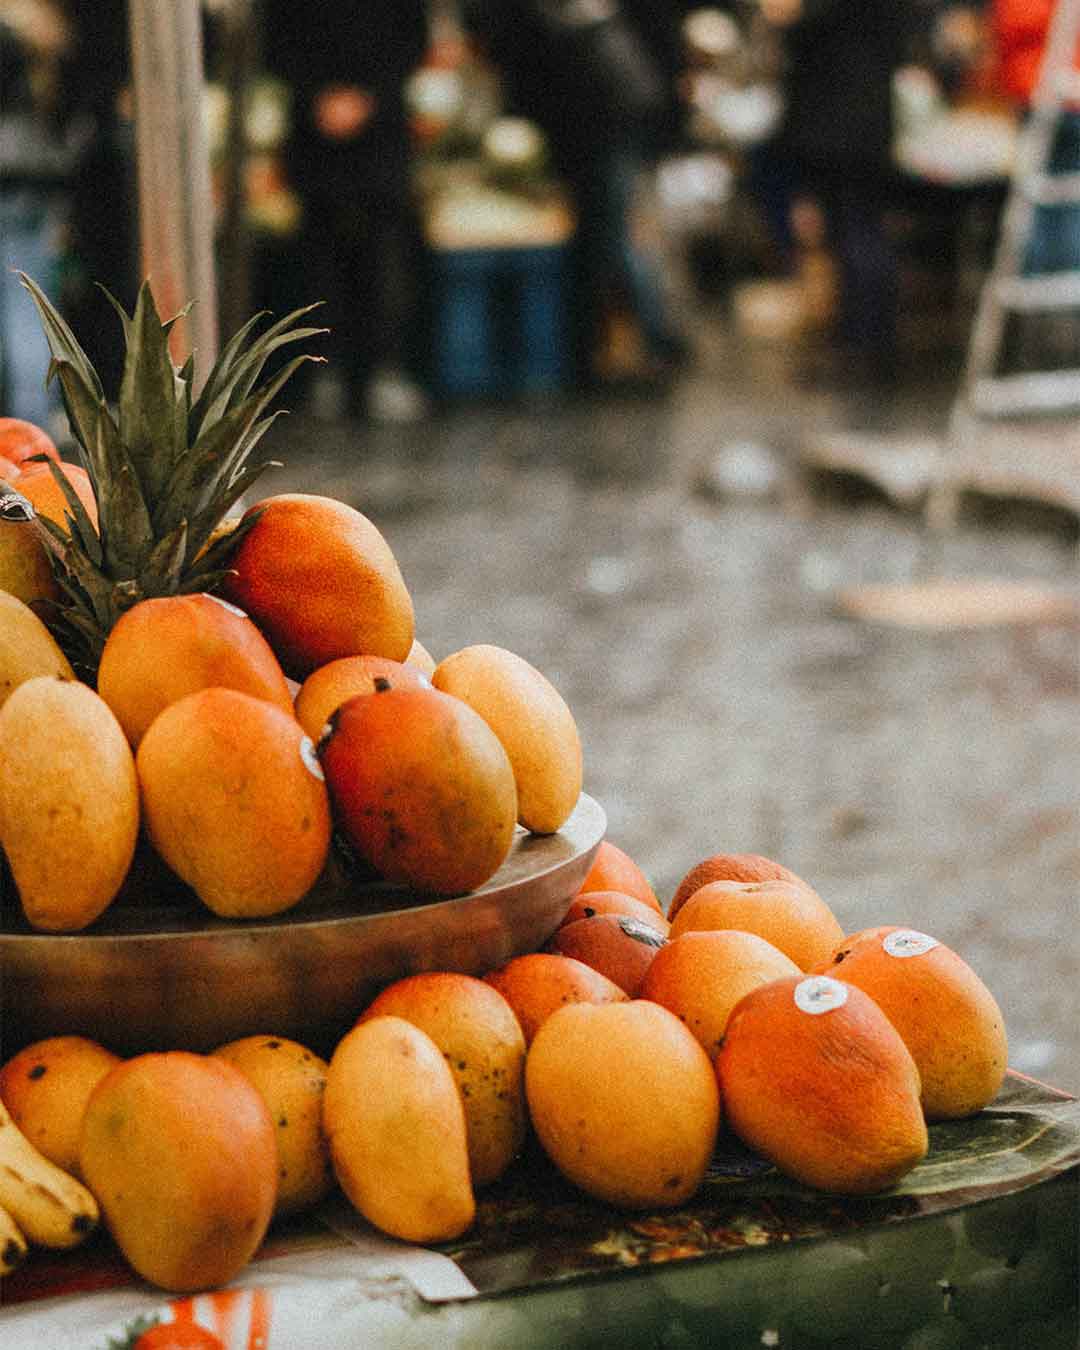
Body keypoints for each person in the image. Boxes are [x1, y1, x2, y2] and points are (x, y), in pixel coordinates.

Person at [464, 0, 692, 390]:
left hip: (601, 120)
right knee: (617, 235)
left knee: (614, 237)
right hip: (612, 117)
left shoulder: (560, 19)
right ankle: (641, 342)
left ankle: (649, 342)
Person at [263, 0, 431, 422]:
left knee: (385, 260)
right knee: (320, 263)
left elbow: (413, 38)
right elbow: (276, 44)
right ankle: (325, 370)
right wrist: (318, 96)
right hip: (314, 138)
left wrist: (367, 98)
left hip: (381, 137)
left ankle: (383, 370)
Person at [750, 0, 915, 388]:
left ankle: (861, 345)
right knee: (862, 230)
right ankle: (867, 342)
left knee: (853, 234)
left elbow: (803, 31)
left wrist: (788, 18)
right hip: (867, 123)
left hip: (836, 125)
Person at [0, 1, 75, 429]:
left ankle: (26, 430)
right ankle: (31, 431)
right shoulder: (36, 37)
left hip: (20, 181)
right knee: (30, 311)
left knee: (26, 314)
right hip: (31, 181)